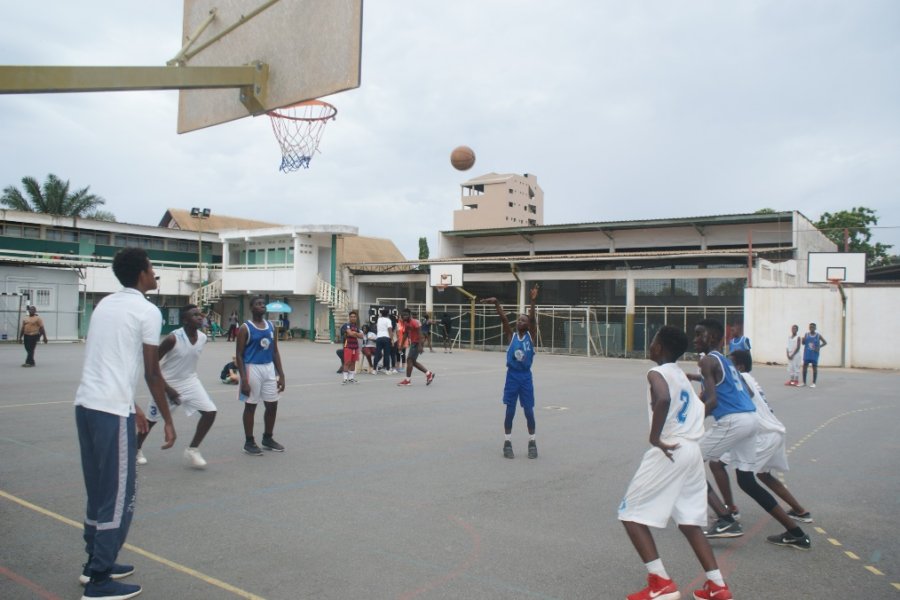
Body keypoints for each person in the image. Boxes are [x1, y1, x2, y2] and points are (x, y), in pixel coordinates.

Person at [74, 247, 176, 599]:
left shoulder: (105, 304)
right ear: (141, 274)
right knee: (119, 495)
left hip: (86, 404)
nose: (155, 275)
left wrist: (130, 404)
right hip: (109, 412)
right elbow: (152, 371)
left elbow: (108, 361)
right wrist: (167, 418)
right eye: (152, 269)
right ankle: (99, 579)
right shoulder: (147, 311)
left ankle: (94, 562)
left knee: (99, 491)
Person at [618, 326, 733, 600]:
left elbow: (663, 398)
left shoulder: (657, 373)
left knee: (630, 513)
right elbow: (702, 405)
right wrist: (688, 427)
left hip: (671, 449)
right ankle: (717, 586)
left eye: (653, 340)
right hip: (692, 450)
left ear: (661, 347)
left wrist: (656, 437)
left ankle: (661, 584)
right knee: (690, 522)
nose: (650, 345)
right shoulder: (681, 375)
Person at [691, 319, 811, 550]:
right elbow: (738, 391)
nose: (695, 339)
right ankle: (796, 533)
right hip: (750, 420)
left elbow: (712, 401)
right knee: (747, 481)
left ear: (715, 338)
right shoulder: (725, 361)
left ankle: (726, 519)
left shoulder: (707, 360)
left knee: (688, 462)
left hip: (733, 421)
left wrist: (690, 426)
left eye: (700, 334)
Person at [708, 350, 813, 528]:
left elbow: (744, 395)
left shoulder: (741, 378)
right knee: (764, 475)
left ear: (739, 366)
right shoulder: (748, 378)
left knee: (716, 464)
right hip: (773, 432)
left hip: (762, 435)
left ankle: (730, 510)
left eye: (730, 363)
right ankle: (800, 511)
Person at [136, 304, 217, 469]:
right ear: (185, 320)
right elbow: (152, 364)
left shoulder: (202, 338)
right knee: (151, 421)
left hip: (190, 381)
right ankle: (135, 449)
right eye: (195, 315)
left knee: (210, 412)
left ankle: (193, 449)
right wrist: (167, 388)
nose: (200, 317)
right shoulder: (173, 339)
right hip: (167, 383)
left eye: (200, 314)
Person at [481, 284, 539, 459]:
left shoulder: (531, 336)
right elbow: (504, 319)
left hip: (525, 377)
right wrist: (497, 303)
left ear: (528, 325)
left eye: (523, 320)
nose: (519, 321)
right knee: (510, 410)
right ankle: (507, 442)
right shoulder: (511, 336)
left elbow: (533, 317)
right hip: (512, 376)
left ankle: (532, 441)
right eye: (518, 320)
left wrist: (532, 301)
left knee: (528, 410)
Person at [236, 296, 286, 456]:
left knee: (272, 404)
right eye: (258, 304)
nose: (262, 306)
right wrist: (243, 378)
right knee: (251, 405)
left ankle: (267, 438)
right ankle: (249, 441)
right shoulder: (245, 328)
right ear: (251, 308)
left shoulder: (271, 326)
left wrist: (281, 374)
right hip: (252, 368)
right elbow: (239, 354)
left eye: (263, 304)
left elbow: (275, 351)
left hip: (269, 368)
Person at [395, 308, 435, 387]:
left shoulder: (414, 322)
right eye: (403, 315)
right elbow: (406, 334)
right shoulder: (406, 323)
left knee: (409, 360)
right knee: (412, 361)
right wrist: (401, 345)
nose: (404, 316)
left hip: (417, 343)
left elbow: (421, 335)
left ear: (410, 315)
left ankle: (407, 380)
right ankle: (428, 373)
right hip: (414, 343)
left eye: (406, 315)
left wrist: (420, 346)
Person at [340, 310, 365, 384]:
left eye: (354, 317)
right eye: (351, 317)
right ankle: (345, 379)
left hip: (355, 346)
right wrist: (355, 334)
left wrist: (354, 333)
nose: (353, 318)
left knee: (353, 362)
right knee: (347, 362)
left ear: (356, 318)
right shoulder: (346, 325)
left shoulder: (356, 327)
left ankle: (351, 378)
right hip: (348, 346)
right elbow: (350, 333)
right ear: (349, 317)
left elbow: (361, 336)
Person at [800, 323, 827, 388]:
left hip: (814, 354)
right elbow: (803, 343)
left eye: (813, 327)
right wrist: (802, 340)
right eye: (810, 327)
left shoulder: (818, 335)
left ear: (815, 328)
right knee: (804, 367)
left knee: (814, 367)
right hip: (807, 353)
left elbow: (825, 342)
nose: (811, 328)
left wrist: (819, 347)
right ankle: (804, 382)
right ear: (809, 328)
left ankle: (814, 383)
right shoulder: (806, 335)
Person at [373, 307, 395, 374]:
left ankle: (374, 369)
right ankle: (387, 370)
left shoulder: (379, 320)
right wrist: (392, 340)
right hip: (386, 338)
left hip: (379, 338)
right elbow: (390, 330)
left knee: (377, 354)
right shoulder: (388, 320)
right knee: (386, 354)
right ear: (388, 314)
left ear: (381, 314)